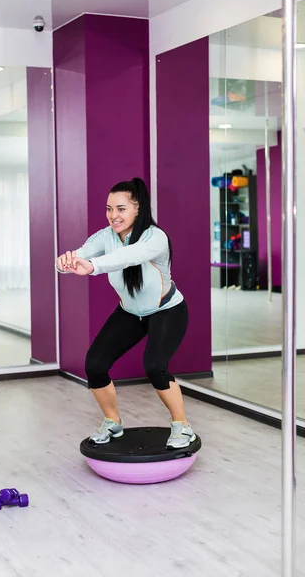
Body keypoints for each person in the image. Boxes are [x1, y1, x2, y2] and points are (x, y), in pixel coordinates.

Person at [57, 177, 195, 449]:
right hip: (130, 313)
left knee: (155, 366)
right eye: (109, 209)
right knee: (95, 363)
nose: (113, 215)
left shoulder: (155, 237)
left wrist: (93, 265)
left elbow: (129, 257)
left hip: (167, 310)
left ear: (137, 209)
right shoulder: (105, 236)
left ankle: (183, 426)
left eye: (120, 209)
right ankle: (112, 421)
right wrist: (64, 262)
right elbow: (79, 254)